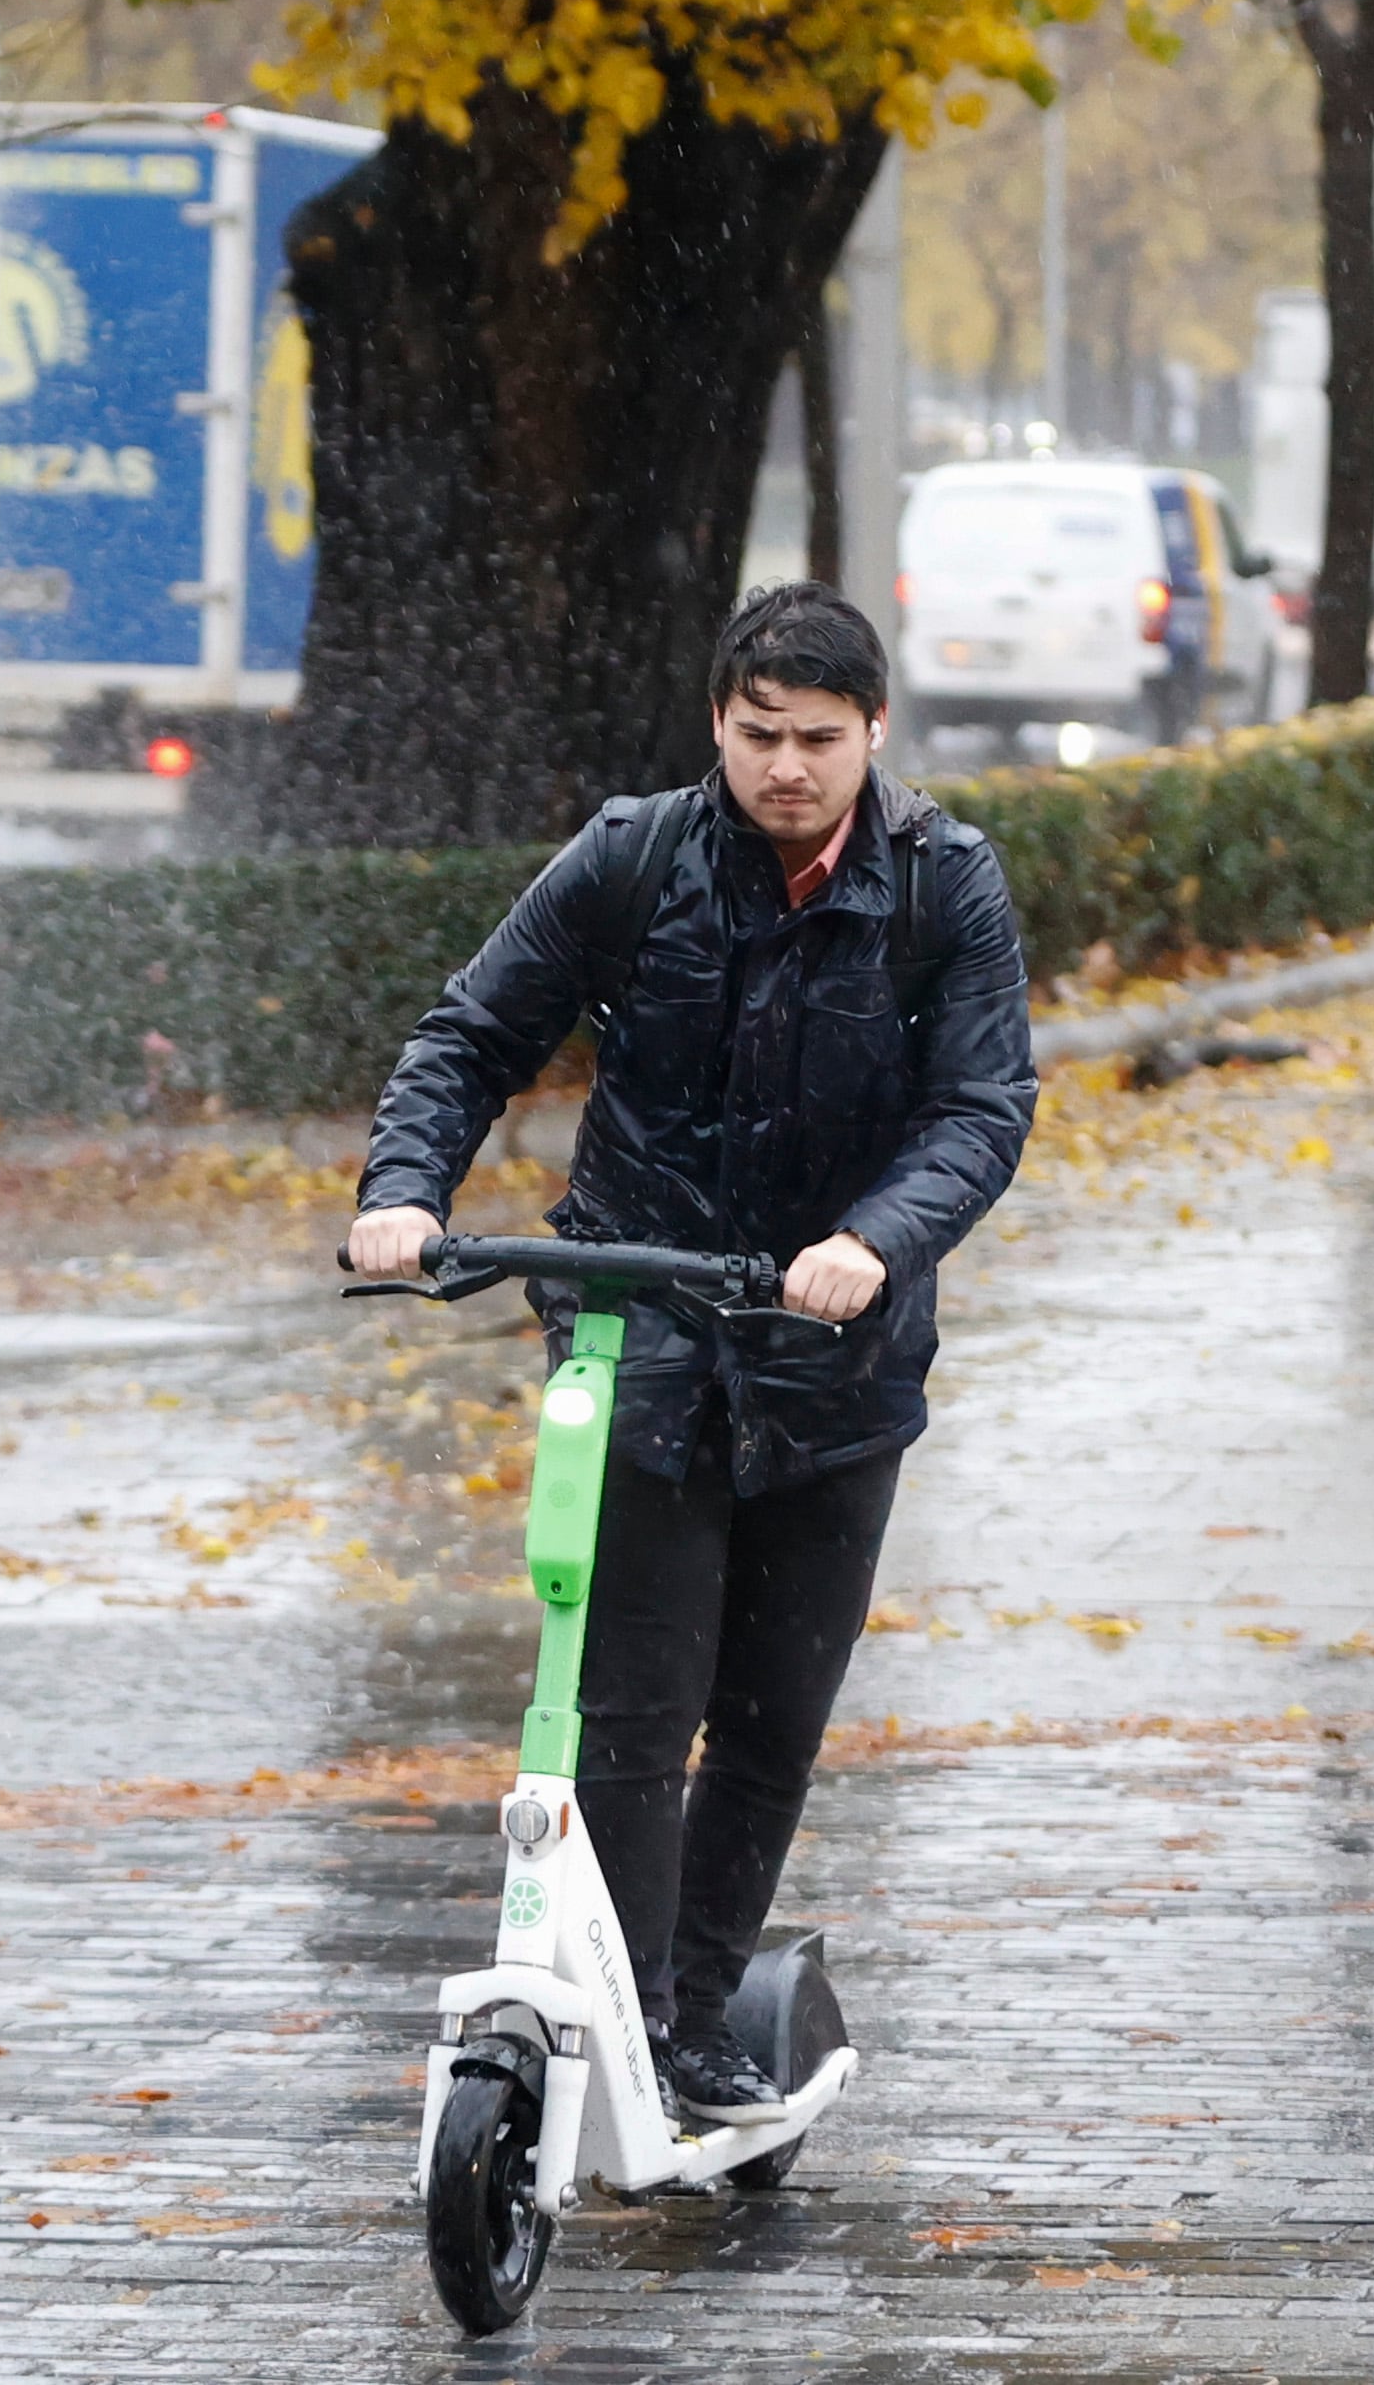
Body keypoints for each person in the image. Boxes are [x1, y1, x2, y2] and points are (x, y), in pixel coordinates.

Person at [345, 581, 1035, 2125]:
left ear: (870, 734)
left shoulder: (944, 884)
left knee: (773, 1717)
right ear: (715, 725)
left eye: (815, 739)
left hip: (836, 1361)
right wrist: (403, 1190)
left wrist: (873, 1240)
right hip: (639, 1334)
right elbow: (473, 1033)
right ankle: (631, 2010)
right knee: (633, 1711)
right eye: (754, 734)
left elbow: (981, 1108)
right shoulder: (635, 856)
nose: (783, 768)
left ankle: (699, 2015)